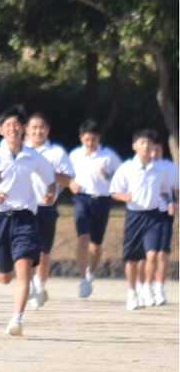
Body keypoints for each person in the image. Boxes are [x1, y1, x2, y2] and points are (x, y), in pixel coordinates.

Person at [0, 106, 55, 336]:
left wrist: (50, 193)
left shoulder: (33, 156)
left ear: (23, 129)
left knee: (23, 267)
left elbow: (49, 179)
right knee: (4, 277)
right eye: (7, 125)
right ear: (0, 129)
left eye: (16, 125)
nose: (12, 129)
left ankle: (16, 319)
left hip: (25, 217)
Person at [110, 129, 175, 311]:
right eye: (142, 143)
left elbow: (164, 190)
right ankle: (132, 292)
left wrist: (170, 202)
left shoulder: (159, 169)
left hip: (153, 216)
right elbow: (114, 191)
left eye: (149, 143)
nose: (146, 146)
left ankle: (147, 287)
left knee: (152, 254)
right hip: (134, 216)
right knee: (131, 259)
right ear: (134, 146)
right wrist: (124, 197)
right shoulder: (127, 168)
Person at [23, 112, 74, 308]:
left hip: (46, 208)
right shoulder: (21, 151)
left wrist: (48, 173)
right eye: (34, 127)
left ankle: (39, 286)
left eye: (41, 127)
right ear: (26, 129)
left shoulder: (56, 153)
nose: (38, 131)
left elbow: (69, 181)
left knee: (43, 252)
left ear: (48, 130)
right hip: (25, 208)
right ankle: (26, 284)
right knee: (25, 252)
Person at [68, 120, 122, 297]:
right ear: (81, 137)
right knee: (83, 237)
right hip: (81, 199)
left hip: (102, 200)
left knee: (96, 245)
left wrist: (108, 175)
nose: (90, 143)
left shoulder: (108, 156)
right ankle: (82, 279)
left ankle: (91, 271)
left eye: (94, 139)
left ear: (99, 138)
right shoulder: (75, 155)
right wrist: (71, 184)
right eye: (87, 139)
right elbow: (66, 175)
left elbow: (122, 177)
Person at [150, 139, 177, 306]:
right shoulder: (139, 166)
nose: (154, 153)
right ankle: (145, 286)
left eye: (157, 149)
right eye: (152, 149)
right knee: (148, 254)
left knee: (162, 252)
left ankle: (159, 287)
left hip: (165, 212)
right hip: (146, 214)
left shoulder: (170, 167)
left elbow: (176, 189)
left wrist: (176, 204)